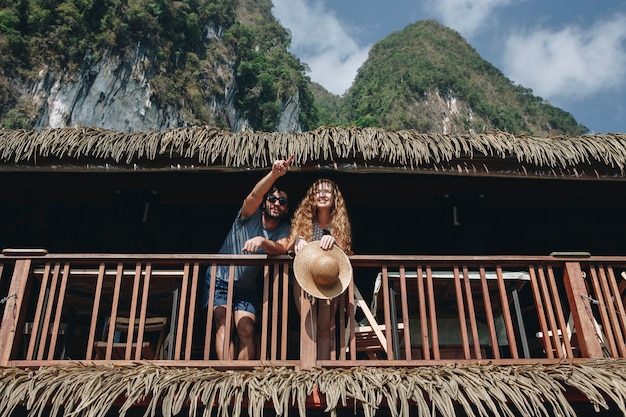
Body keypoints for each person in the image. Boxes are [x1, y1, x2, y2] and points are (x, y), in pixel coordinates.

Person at [206, 155, 293, 360]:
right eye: (272, 199)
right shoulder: (247, 216)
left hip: (245, 288)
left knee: (247, 329)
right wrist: (274, 174)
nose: (276, 203)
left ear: (286, 208)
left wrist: (262, 242)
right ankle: (228, 375)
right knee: (224, 324)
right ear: (265, 203)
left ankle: (243, 378)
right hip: (219, 279)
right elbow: (255, 194)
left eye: (282, 201)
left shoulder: (285, 229)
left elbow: (282, 247)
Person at [288, 178, 353, 359]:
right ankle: (309, 370)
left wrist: (335, 242)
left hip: (329, 278)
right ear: (312, 197)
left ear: (334, 198)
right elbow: (288, 244)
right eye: (318, 191)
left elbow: (346, 252)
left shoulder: (338, 224)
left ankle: (323, 370)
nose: (323, 195)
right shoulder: (304, 220)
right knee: (309, 325)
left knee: (326, 328)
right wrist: (297, 241)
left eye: (327, 191)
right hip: (305, 277)